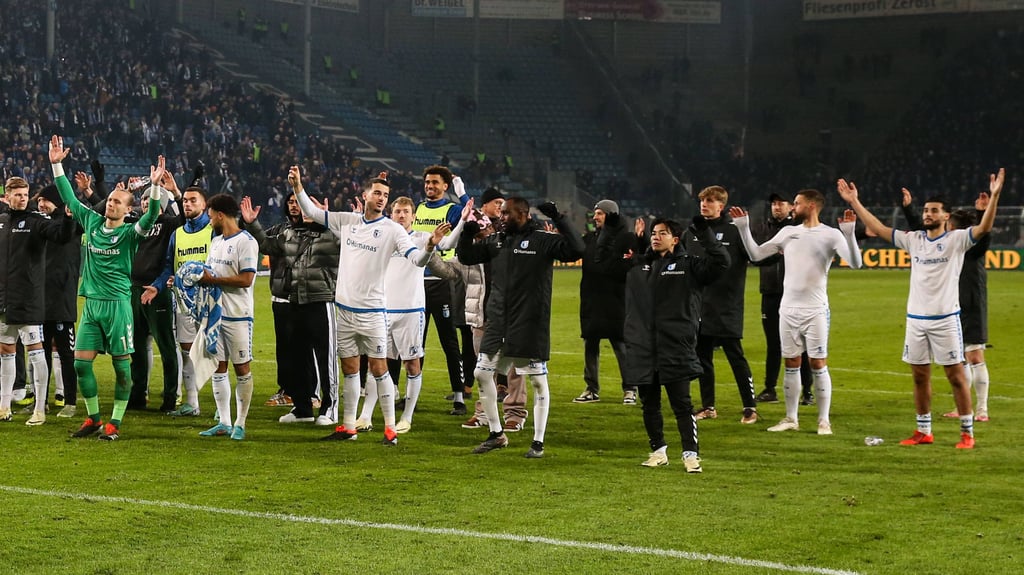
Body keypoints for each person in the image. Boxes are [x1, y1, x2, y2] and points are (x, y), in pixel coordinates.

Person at [838, 171, 1004, 449]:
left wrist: (995, 197)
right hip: (916, 320)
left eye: (934, 211)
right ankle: (923, 430)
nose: (927, 214)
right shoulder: (913, 239)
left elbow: (984, 228)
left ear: (946, 217)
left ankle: (967, 433)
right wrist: (855, 202)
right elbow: (879, 229)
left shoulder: (957, 240)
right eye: (926, 210)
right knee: (919, 376)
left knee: (956, 377)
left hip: (946, 320)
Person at [290, 167, 439, 446]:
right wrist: (298, 186)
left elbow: (417, 260)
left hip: (373, 313)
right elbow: (311, 210)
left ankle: (390, 429)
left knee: (379, 368)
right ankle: (348, 427)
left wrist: (430, 245)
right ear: (365, 195)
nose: (382, 198)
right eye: (378, 193)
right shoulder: (347, 221)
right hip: (344, 310)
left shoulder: (393, 230)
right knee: (349, 368)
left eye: (386, 195)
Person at [48, 135, 163, 441]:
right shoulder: (92, 222)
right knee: (81, 364)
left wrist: (154, 187)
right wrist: (56, 165)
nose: (111, 203)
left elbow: (152, 215)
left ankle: (115, 421)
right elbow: (70, 200)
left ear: (127, 209)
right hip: (92, 305)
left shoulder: (130, 232)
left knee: (122, 369)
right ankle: (93, 418)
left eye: (117, 201)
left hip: (118, 305)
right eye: (110, 199)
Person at [457, 198, 585, 458]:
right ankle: (496, 433)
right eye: (501, 213)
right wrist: (467, 233)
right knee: (482, 374)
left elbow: (577, 249)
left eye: (507, 213)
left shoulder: (542, 240)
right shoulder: (498, 241)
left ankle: (538, 442)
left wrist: (560, 218)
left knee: (537, 381)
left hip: (529, 322)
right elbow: (467, 256)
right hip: (498, 321)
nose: (501, 217)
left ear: (523, 214)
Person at [731, 189, 862, 435]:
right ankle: (791, 418)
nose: (793, 207)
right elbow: (756, 254)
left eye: (798, 203)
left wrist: (850, 234)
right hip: (788, 309)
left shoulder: (831, 235)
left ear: (811, 206)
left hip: (815, 310)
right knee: (791, 362)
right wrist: (742, 228)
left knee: (817, 363)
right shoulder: (788, 232)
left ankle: (823, 421)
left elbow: (856, 262)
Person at [627, 217, 729, 472]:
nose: (655, 236)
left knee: (682, 404)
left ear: (675, 239)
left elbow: (722, 263)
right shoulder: (641, 265)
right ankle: (658, 450)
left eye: (662, 233)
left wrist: (705, 233)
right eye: (653, 232)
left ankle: (690, 454)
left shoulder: (690, 266)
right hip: (645, 346)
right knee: (649, 403)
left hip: (676, 345)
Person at [356, 196, 465, 434]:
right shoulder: (383, 238)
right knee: (376, 365)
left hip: (410, 312)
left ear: (413, 216)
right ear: (391, 214)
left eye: (406, 211)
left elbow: (436, 252)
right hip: (382, 311)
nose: (401, 215)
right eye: (397, 211)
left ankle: (406, 417)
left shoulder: (420, 238)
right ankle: (365, 415)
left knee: (412, 365)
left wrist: (461, 222)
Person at [241, 193, 340, 426]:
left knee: (326, 358)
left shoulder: (333, 234)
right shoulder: (290, 233)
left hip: (321, 302)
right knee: (297, 358)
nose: (304, 210)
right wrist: (252, 223)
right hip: (295, 302)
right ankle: (302, 408)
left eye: (310, 205)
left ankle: (330, 407)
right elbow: (266, 245)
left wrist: (330, 219)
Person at [902, 190, 994, 422]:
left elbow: (983, 237)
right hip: (947, 309)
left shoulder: (965, 244)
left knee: (975, 355)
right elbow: (920, 230)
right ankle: (962, 407)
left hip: (970, 304)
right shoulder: (941, 242)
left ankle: (981, 409)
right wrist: (908, 208)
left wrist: (983, 211)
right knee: (959, 359)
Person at [0, 177, 74, 424]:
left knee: (35, 352)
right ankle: (3, 407)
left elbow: (61, 236)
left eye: (25, 194)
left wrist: (68, 218)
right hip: (4, 301)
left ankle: (39, 409)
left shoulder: (36, 222)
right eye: (18, 194)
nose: (22, 198)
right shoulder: (1, 222)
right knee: (6, 351)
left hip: (28, 300)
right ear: (7, 195)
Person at [684, 186, 758, 424]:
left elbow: (754, 256)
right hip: (699, 305)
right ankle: (708, 406)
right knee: (702, 357)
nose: (705, 204)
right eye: (702, 200)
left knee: (735, 356)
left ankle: (750, 407)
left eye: (710, 201)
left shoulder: (734, 230)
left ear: (721, 206)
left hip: (727, 304)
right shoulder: (692, 231)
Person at [193, 194, 259, 441]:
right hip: (215, 314)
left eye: (210, 215)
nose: (209, 220)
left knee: (241, 367)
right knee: (218, 367)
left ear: (220, 214)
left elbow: (246, 279)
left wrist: (213, 280)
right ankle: (223, 422)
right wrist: (188, 280)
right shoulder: (217, 241)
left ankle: (240, 424)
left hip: (238, 316)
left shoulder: (246, 242)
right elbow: (209, 271)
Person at [150, 183, 214, 417]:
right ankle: (191, 403)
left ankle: (222, 409)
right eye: (185, 200)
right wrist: (158, 286)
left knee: (218, 351)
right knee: (186, 351)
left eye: (193, 200)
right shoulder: (177, 234)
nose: (187, 204)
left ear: (204, 204)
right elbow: (169, 266)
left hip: (211, 302)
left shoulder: (213, 232)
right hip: (184, 304)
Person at [415, 165, 470, 415]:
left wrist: (462, 193)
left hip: (442, 282)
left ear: (445, 186)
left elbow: (473, 215)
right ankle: (411, 395)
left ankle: (459, 396)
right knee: (416, 343)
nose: (430, 186)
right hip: (417, 282)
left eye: (435, 182)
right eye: (427, 182)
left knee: (449, 341)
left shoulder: (452, 209)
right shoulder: (418, 208)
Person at [752, 193, 814, 405]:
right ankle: (770, 389)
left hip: (795, 295)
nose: (776, 207)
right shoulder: (762, 229)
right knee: (773, 344)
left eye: (781, 203)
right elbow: (755, 258)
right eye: (773, 204)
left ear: (791, 207)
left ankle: (807, 391)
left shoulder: (799, 230)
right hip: (769, 292)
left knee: (802, 343)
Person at [129, 173, 183, 413]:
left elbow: (186, 218)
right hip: (134, 291)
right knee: (137, 347)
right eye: (142, 199)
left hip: (157, 291)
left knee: (166, 346)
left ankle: (170, 397)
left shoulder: (169, 224)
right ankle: (138, 394)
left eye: (149, 199)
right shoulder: (137, 226)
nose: (144, 202)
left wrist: (177, 194)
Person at [574, 199, 636, 405]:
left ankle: (630, 388)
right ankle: (591, 389)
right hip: (591, 298)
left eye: (600, 213)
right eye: (595, 213)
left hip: (616, 299)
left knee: (620, 344)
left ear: (611, 215)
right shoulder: (590, 238)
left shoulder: (625, 239)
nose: (596, 217)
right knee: (590, 343)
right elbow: (574, 248)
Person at [35, 184, 83, 419]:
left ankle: (71, 402)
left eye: (44, 200)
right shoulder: (40, 224)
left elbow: (66, 232)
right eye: (39, 201)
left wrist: (67, 213)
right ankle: (40, 402)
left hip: (62, 300)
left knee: (66, 354)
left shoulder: (72, 223)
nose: (40, 204)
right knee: (39, 354)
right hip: (40, 299)